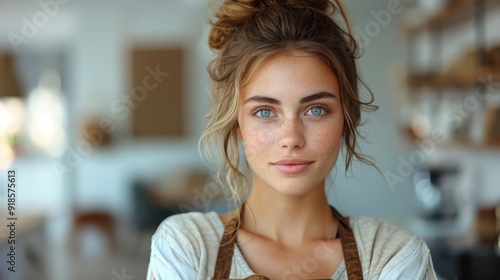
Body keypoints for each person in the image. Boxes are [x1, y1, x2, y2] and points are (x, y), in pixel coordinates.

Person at [147, 0, 438, 279]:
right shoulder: (186, 247)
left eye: (315, 110)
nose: (291, 138)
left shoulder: (393, 255)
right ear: (237, 124)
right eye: (264, 111)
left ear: (346, 120)